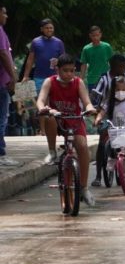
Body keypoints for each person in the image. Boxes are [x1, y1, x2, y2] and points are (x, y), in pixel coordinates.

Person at [36, 53, 98, 205]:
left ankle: (83, 188)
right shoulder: (49, 82)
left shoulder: (78, 82)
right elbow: (41, 100)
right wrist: (45, 109)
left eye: (72, 70)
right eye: (65, 70)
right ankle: (52, 151)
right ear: (57, 69)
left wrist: (90, 109)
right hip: (57, 120)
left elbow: (86, 101)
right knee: (50, 118)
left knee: (83, 148)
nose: (69, 74)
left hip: (74, 120)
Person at [21, 19, 65, 147]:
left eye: (51, 28)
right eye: (47, 28)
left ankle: (57, 128)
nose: (49, 30)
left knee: (55, 103)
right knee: (42, 104)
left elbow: (64, 59)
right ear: (42, 29)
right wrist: (25, 76)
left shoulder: (59, 43)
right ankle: (43, 130)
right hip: (40, 77)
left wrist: (60, 66)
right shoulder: (35, 42)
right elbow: (30, 60)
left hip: (55, 77)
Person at [90, 54, 125, 186]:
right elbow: (95, 97)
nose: (123, 69)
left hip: (121, 114)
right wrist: (95, 113)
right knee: (102, 142)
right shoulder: (104, 79)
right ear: (113, 66)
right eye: (121, 67)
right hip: (105, 113)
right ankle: (98, 176)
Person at [0, 6, 19, 166]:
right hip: (1, 82)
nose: (6, 16)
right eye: (4, 13)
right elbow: (3, 54)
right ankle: (1, 153)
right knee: (1, 118)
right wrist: (12, 77)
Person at [79, 26, 113, 98]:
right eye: (93, 36)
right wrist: (81, 79)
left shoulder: (107, 47)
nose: (95, 38)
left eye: (97, 35)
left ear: (100, 35)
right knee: (93, 100)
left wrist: (113, 76)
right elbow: (84, 64)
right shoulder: (86, 49)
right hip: (92, 78)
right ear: (90, 36)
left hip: (105, 77)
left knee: (105, 100)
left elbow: (112, 62)